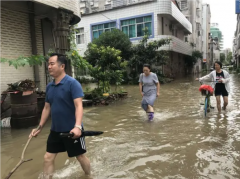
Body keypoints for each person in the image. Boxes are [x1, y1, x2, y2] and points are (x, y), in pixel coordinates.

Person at [29, 53, 90, 178]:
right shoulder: (50, 86)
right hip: (55, 130)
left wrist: (78, 126)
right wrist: (39, 127)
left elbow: (79, 106)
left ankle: (89, 175)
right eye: (48, 64)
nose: (49, 67)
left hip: (72, 130)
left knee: (80, 156)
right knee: (48, 157)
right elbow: (47, 108)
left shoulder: (73, 84)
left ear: (62, 66)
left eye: (52, 64)